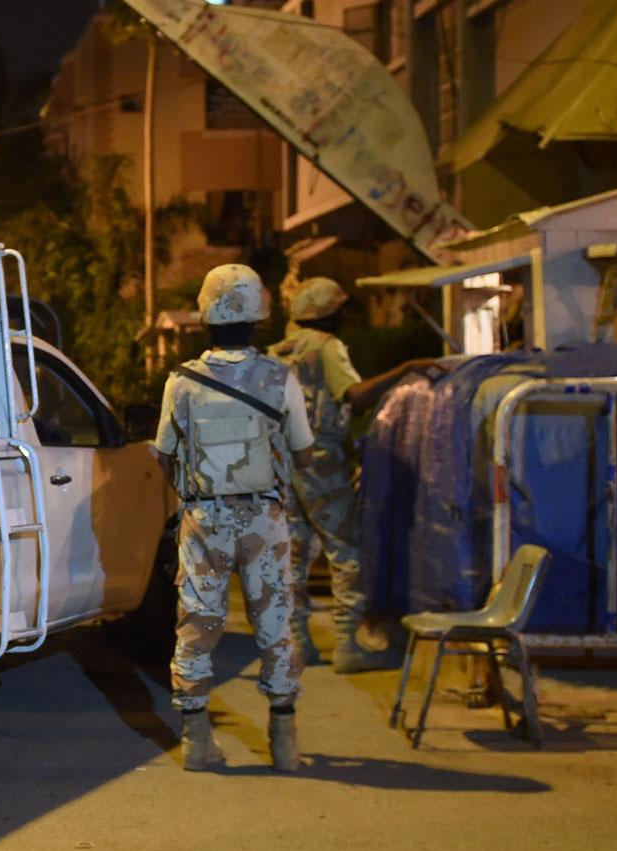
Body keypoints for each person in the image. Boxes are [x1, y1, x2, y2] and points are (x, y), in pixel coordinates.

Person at [155, 265, 314, 773]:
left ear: (206, 315)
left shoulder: (181, 382)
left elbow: (162, 455)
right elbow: (304, 452)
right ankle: (284, 742)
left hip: (204, 519)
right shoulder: (278, 377)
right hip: (264, 519)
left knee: (197, 624)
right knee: (275, 623)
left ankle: (196, 741)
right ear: (259, 316)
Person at [269, 277, 430, 673]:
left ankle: (298, 643)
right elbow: (354, 395)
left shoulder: (279, 350)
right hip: (319, 459)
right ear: (328, 315)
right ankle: (347, 644)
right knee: (346, 549)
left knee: (294, 551)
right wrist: (407, 368)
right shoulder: (326, 348)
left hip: (279, 459)